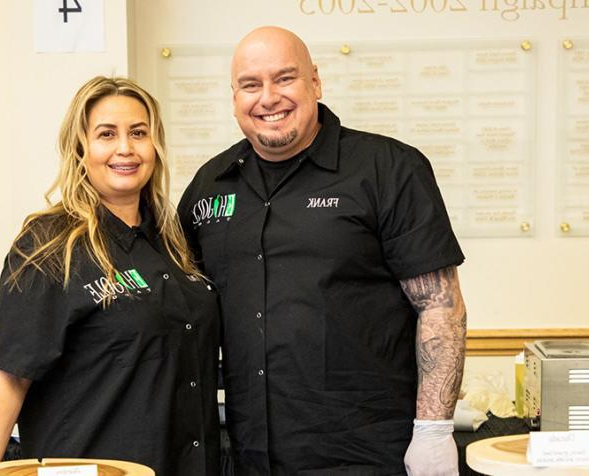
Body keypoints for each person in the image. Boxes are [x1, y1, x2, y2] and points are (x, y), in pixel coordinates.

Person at [178, 26, 468, 475]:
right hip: (251, 455)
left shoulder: (388, 169)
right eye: (250, 85)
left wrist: (434, 431)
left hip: (367, 455)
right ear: (234, 97)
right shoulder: (209, 186)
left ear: (315, 81)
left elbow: (440, 306)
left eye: (285, 78)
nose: (268, 98)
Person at [0, 76, 221, 475]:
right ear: (81, 149)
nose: (125, 148)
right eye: (107, 134)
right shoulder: (49, 245)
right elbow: (9, 382)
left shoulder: (174, 243)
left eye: (139, 133)